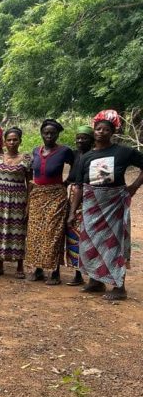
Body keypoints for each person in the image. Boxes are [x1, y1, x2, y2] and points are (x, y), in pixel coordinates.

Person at [70, 110, 143, 301]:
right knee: (90, 243)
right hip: (91, 207)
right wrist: (72, 212)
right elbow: (79, 187)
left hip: (114, 207)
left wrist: (134, 187)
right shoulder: (86, 157)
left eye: (106, 129)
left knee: (114, 245)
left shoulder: (123, 152)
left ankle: (119, 286)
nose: (101, 132)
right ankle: (95, 281)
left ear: (113, 132)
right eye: (98, 128)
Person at [25, 119, 74, 285]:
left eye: (52, 133)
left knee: (53, 233)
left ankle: (54, 271)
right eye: (46, 133)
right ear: (41, 134)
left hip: (56, 195)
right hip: (38, 195)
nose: (49, 136)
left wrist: (67, 182)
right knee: (36, 233)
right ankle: (38, 268)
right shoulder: (35, 151)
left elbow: (76, 166)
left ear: (57, 134)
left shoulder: (64, 151)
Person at [0, 127, 32, 278]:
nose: (12, 142)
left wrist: (28, 203)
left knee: (18, 231)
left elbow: (29, 182)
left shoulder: (26, 159)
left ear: (20, 141)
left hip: (18, 199)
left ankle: (20, 267)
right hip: (0, 198)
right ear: (4, 142)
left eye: (15, 139)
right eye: (9, 140)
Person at [65, 126, 95, 286]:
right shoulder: (73, 154)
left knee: (84, 235)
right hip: (70, 194)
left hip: (87, 197)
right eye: (78, 138)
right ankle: (77, 273)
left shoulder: (94, 156)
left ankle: (88, 273)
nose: (80, 141)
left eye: (84, 138)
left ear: (91, 140)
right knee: (71, 235)